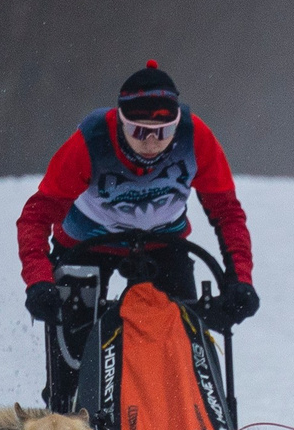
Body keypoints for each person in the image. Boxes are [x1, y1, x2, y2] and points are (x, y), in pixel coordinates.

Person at [17, 62, 257, 408]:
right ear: (119, 122)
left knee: (182, 341)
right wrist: (39, 282)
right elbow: (35, 217)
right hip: (86, 244)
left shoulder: (196, 138)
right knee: (73, 355)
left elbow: (227, 212)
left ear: (177, 124)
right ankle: (67, 413)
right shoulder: (90, 142)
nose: (150, 143)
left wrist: (240, 281)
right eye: (138, 131)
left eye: (162, 132)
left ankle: (177, 423)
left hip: (164, 242)